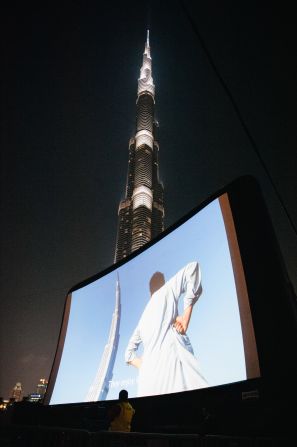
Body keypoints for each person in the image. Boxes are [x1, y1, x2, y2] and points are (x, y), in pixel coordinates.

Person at [125, 261, 208, 397]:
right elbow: (193, 268)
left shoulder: (142, 319)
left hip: (148, 387)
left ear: (149, 291)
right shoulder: (166, 290)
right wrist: (186, 318)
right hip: (174, 379)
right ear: (162, 283)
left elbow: (128, 354)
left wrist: (145, 367)